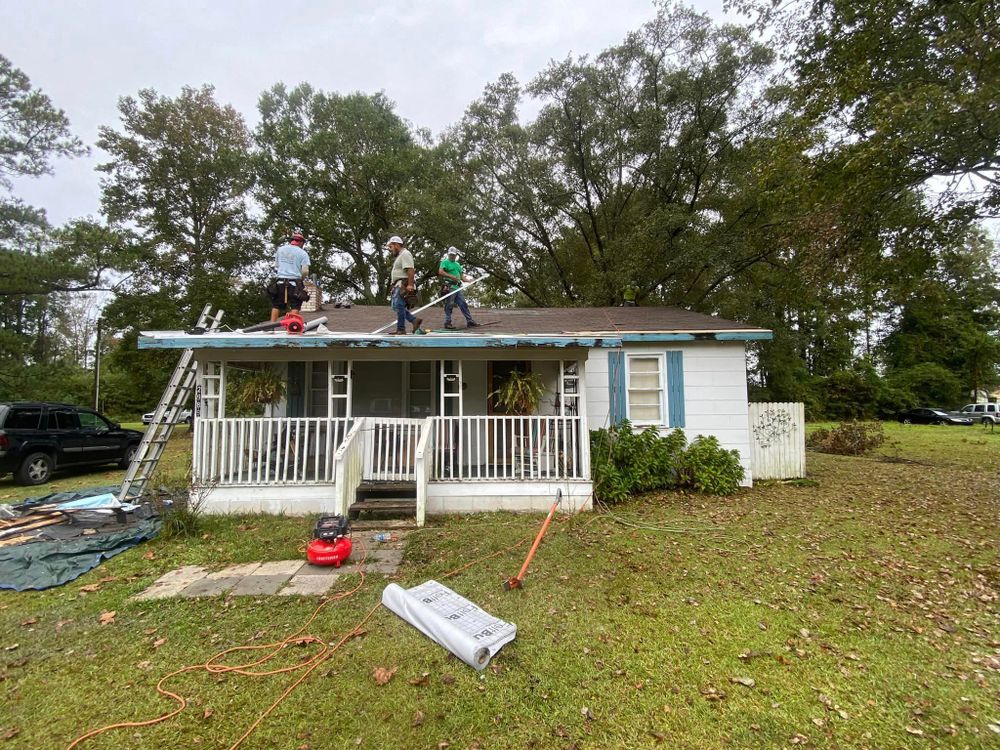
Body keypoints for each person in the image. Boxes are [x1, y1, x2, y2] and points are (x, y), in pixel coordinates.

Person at [270, 230, 310, 322]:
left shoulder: (280, 250)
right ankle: (292, 328)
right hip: (295, 283)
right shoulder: (302, 253)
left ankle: (270, 328)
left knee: (276, 305)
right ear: (300, 242)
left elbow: (276, 266)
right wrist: (301, 279)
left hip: (280, 282)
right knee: (295, 305)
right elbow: (305, 271)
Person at [386, 235, 422, 335]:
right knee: (396, 306)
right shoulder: (400, 256)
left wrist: (410, 285)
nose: (390, 249)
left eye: (391, 247)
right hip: (398, 284)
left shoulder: (405, 254)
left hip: (404, 284)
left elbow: (410, 269)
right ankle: (414, 320)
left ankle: (401, 329)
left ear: (396, 245)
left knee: (399, 305)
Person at [437, 246, 478, 329]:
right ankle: (447, 322)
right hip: (450, 286)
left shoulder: (458, 265)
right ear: (448, 254)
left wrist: (470, 281)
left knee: (463, 303)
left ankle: (470, 321)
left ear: (456, 255)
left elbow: (462, 277)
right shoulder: (445, 262)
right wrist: (451, 276)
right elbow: (440, 271)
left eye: (453, 255)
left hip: (457, 287)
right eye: (450, 255)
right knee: (449, 304)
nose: (452, 256)